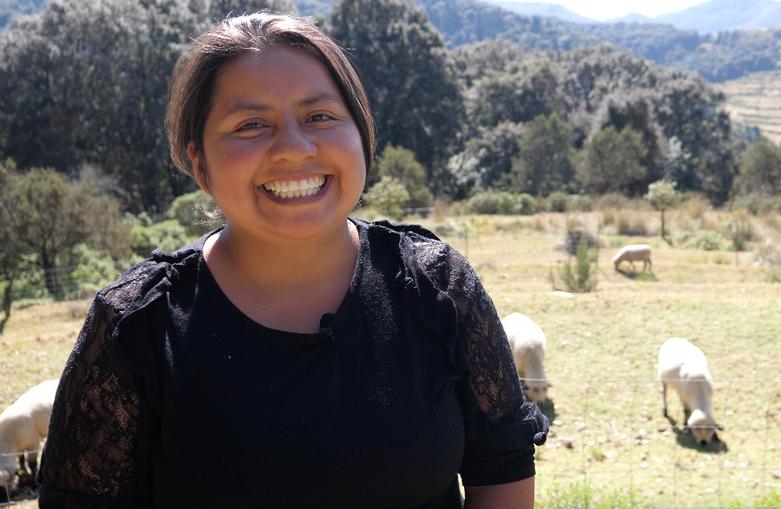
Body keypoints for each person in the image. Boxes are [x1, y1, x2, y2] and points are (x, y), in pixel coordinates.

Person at [38, 12, 548, 509]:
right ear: (199, 162)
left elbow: (500, 466)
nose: (294, 148)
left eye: (319, 117)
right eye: (251, 124)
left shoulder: (437, 287)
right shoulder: (137, 327)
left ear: (362, 134)